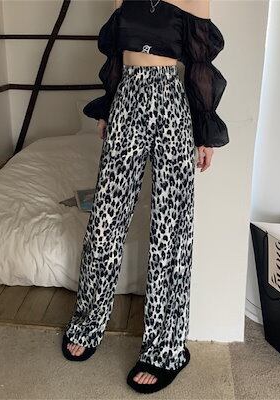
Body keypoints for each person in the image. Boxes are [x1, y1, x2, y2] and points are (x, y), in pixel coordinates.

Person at [62, 0, 229, 393]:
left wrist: (204, 133)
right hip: (127, 101)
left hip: (172, 105)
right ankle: (88, 322)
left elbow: (200, 65)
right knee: (105, 221)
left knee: (171, 229)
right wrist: (109, 107)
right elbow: (116, 56)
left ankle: (166, 348)